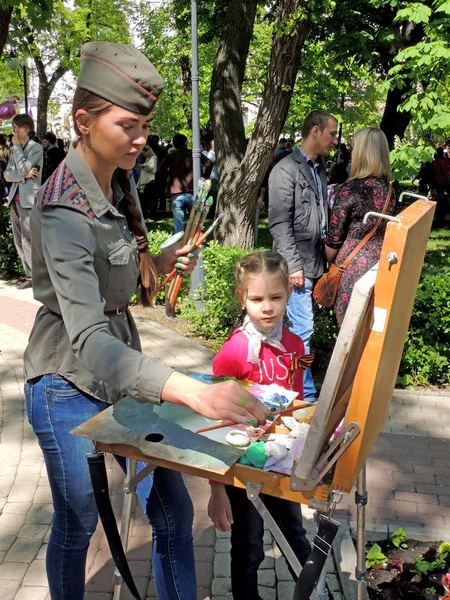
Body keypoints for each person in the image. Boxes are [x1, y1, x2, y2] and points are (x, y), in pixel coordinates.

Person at [23, 42, 271, 600]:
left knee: (172, 508)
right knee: (80, 517)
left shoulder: (117, 177)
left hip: (124, 367)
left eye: (145, 126)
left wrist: (157, 262)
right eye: (129, 125)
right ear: (83, 121)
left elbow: (120, 275)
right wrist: (193, 393)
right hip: (68, 377)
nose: (141, 139)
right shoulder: (63, 207)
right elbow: (87, 335)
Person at [208, 250, 311, 600]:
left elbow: (297, 405)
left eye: (276, 297)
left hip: (281, 461)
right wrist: (217, 488)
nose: (267, 307)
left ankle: (312, 593)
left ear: (289, 295)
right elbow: (217, 423)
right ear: (242, 298)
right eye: (257, 298)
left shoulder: (295, 346)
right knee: (249, 546)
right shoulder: (232, 353)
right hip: (242, 466)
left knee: (295, 537)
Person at [269, 109, 338, 400]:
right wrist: (293, 266)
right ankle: (304, 394)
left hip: (313, 263)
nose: (335, 140)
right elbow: (279, 223)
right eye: (332, 134)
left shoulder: (318, 167)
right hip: (296, 266)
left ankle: (295, 387)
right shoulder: (285, 170)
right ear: (315, 131)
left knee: (299, 332)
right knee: (302, 332)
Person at [325, 127, 396, 325]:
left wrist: (327, 258)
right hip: (380, 263)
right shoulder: (389, 189)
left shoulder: (349, 189)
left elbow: (334, 237)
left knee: (348, 332)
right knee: (371, 329)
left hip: (352, 267)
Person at [4, 113, 43, 289]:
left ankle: (35, 276)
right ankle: (28, 275)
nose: (14, 131)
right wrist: (23, 176)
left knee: (29, 239)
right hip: (15, 198)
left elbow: (23, 167)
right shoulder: (15, 149)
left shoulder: (35, 148)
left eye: (17, 127)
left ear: (26, 128)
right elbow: (7, 174)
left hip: (29, 200)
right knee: (18, 240)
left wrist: (18, 149)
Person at [137, 144, 158, 221]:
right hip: (146, 181)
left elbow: (153, 169)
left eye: (144, 153)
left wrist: (142, 166)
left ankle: (151, 217)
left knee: (150, 201)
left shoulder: (153, 158)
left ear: (148, 151)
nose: (143, 155)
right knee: (145, 200)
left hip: (149, 182)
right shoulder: (149, 158)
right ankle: (146, 216)